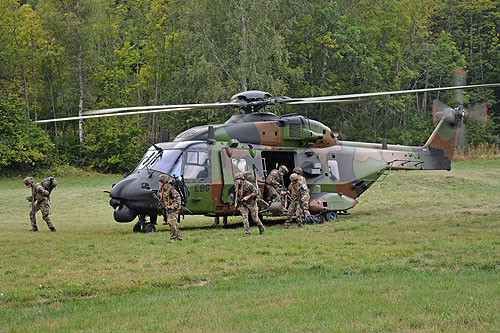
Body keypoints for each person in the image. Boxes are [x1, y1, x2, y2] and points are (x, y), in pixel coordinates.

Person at [158, 174, 183, 242]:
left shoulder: (172, 190)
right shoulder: (161, 189)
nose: (159, 183)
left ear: (164, 182)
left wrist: (171, 207)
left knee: (171, 222)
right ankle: (180, 238)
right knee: (173, 223)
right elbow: (160, 197)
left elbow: (178, 201)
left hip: (174, 209)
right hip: (167, 209)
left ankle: (173, 238)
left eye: (160, 181)